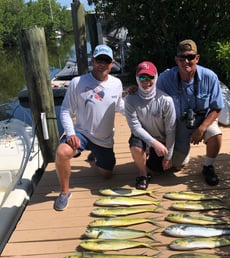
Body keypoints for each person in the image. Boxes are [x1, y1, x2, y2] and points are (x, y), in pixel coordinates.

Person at [54, 44, 124, 211]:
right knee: (62, 153)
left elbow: (120, 105)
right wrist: (70, 133)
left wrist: (136, 102)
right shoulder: (77, 82)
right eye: (99, 59)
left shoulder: (117, 83)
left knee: (107, 175)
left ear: (111, 63)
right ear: (92, 61)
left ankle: (95, 155)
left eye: (106, 61)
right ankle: (64, 192)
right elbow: (65, 110)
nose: (102, 64)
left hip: (104, 138)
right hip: (81, 133)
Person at [157, 39, 224, 186]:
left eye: (190, 57)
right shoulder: (165, 78)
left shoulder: (210, 77)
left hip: (204, 119)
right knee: (176, 167)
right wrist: (135, 90)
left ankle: (208, 166)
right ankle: (184, 155)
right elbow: (149, 92)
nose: (186, 61)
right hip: (179, 124)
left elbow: (217, 107)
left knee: (216, 135)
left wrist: (202, 128)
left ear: (197, 58)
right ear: (176, 60)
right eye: (182, 57)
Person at [125, 61, 176, 189]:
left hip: (162, 140)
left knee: (161, 169)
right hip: (143, 137)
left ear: (156, 77)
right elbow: (135, 128)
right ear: (137, 78)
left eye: (150, 77)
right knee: (136, 148)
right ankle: (142, 174)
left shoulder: (166, 100)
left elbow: (171, 129)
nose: (146, 81)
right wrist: (154, 143)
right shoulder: (130, 99)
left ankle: (149, 160)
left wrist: (168, 155)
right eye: (142, 77)